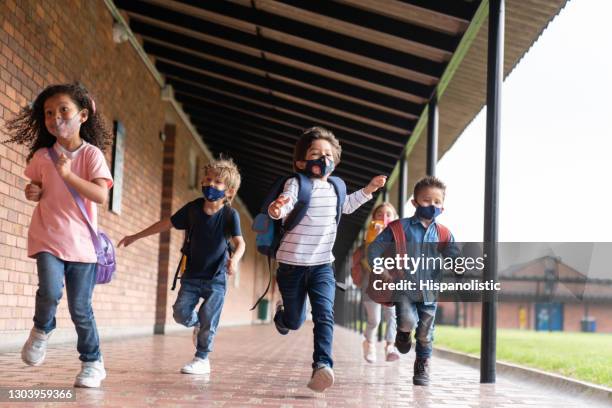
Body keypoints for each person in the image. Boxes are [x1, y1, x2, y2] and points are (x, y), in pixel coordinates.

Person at [3, 83, 113, 388]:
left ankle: (92, 362)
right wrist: (33, 192)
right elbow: (37, 188)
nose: (55, 117)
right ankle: (41, 329)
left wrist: (68, 175)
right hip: (48, 236)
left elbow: (101, 196)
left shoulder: (91, 155)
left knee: (80, 308)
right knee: (49, 291)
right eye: (49, 113)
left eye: (63, 110)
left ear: (83, 115)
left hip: (82, 246)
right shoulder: (42, 155)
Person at [268, 126, 386, 392]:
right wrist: (278, 209)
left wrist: (369, 188)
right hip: (291, 265)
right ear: (301, 161)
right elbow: (287, 201)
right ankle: (282, 316)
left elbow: (348, 205)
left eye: (328, 154)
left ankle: (322, 365)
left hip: (322, 265)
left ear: (335, 161)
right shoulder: (297, 183)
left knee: (324, 314)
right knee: (295, 320)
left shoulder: (337, 187)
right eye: (315, 153)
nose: (323, 158)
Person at [118, 157, 245, 375]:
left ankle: (202, 358)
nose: (210, 185)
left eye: (217, 182)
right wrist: (135, 236)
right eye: (208, 179)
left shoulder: (229, 215)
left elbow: (240, 242)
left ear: (229, 192)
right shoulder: (193, 209)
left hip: (216, 278)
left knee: (210, 320)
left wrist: (234, 261)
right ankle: (196, 323)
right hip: (192, 275)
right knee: (180, 313)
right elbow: (166, 223)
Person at [368, 176, 458, 386]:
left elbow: (454, 257)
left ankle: (422, 365)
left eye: (437, 202)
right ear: (415, 203)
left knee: (426, 333)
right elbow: (375, 249)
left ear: (442, 207)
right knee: (407, 320)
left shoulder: (444, 233)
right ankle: (403, 333)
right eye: (427, 200)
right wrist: (381, 269)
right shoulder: (399, 228)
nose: (432, 205)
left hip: (430, 292)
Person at [352, 202, 400, 363]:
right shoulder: (370, 234)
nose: (384, 217)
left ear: (395, 218)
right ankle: (369, 344)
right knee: (375, 319)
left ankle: (390, 347)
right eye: (380, 214)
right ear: (374, 218)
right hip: (371, 280)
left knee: (392, 315)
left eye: (388, 214)